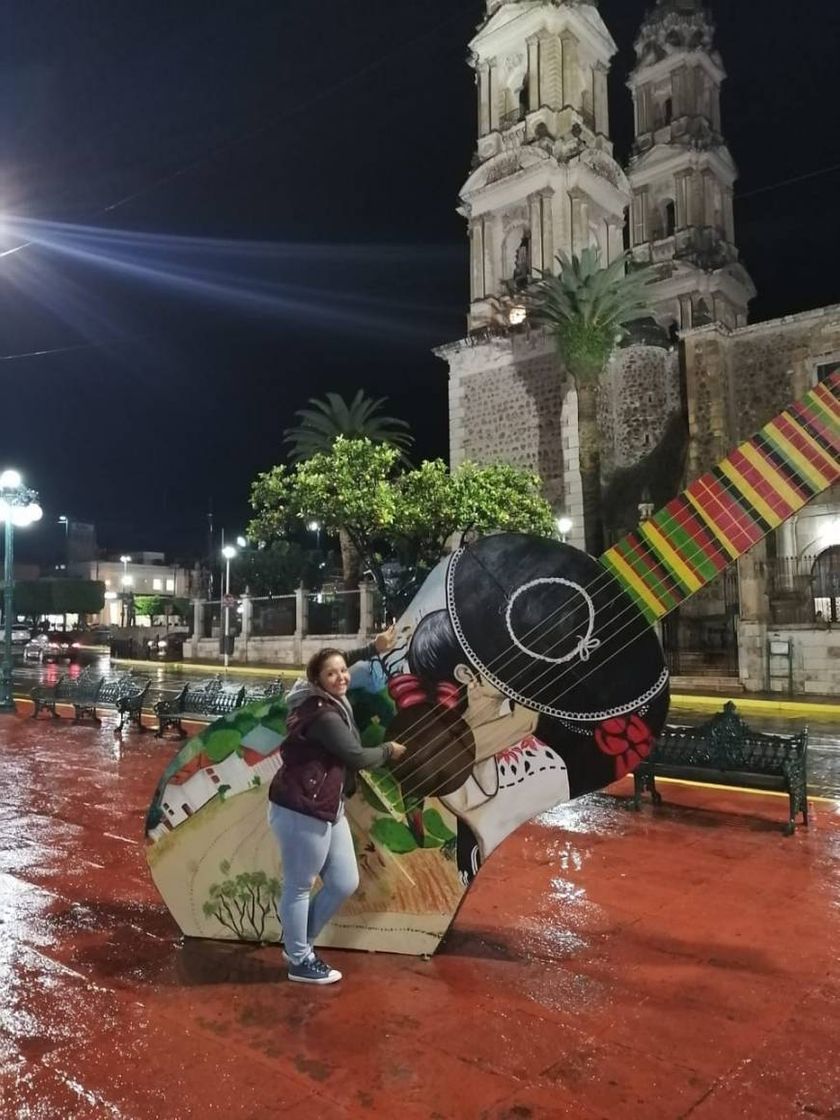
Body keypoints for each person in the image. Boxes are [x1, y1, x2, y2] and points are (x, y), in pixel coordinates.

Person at [268, 633, 406, 986]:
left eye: (344, 671)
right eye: (332, 674)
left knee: (345, 881)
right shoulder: (323, 715)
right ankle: (299, 959)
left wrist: (373, 649)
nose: (342, 677)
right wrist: (389, 750)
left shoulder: (318, 693)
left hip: (329, 805)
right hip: (303, 808)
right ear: (317, 681)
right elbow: (356, 757)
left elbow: (337, 657)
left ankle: (298, 944)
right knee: (299, 886)